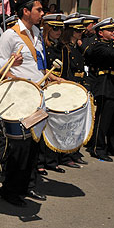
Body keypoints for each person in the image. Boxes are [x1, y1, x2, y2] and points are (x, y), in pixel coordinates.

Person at [0, 0, 46, 207]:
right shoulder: (10, 35)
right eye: (39, 10)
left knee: (34, 144)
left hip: (38, 95)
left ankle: (27, 186)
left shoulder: (37, 33)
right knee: (20, 146)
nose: (42, 14)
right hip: (20, 96)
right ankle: (10, 189)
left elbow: (38, 64)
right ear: (26, 11)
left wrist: (50, 77)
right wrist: (15, 78)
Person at [84, 18, 114, 161]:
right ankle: (97, 148)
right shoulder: (98, 46)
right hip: (104, 84)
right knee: (103, 119)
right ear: (100, 32)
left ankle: (113, 147)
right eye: (110, 30)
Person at [56, 17, 89, 167]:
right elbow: (66, 70)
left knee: (77, 123)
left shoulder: (77, 47)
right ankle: (65, 156)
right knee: (68, 124)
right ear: (70, 32)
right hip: (71, 84)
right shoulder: (66, 48)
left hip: (80, 84)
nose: (80, 33)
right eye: (77, 30)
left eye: (81, 30)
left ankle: (74, 152)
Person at [40, 14, 67, 174]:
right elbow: (42, 68)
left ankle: (52, 159)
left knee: (56, 124)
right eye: (55, 28)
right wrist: (52, 78)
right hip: (46, 87)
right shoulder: (44, 46)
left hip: (57, 87)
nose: (58, 32)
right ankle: (41, 161)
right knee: (44, 126)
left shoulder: (60, 47)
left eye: (60, 29)